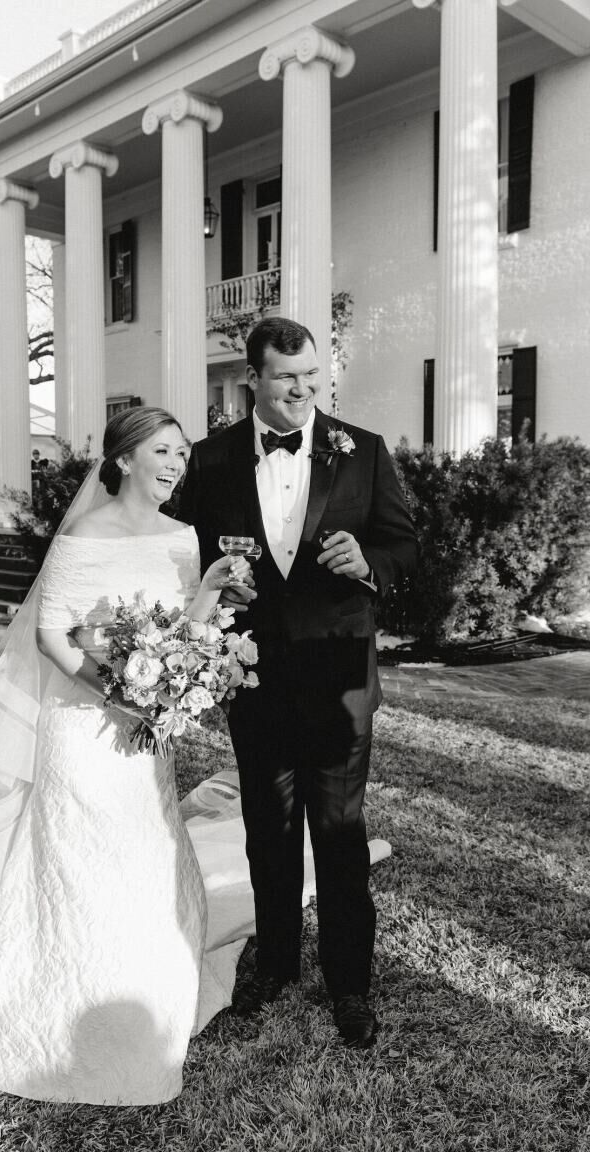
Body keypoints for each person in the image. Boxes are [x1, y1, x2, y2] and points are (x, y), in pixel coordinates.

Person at [0, 406, 257, 1105]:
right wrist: (120, 693)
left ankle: (147, 991)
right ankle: (50, 1000)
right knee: (77, 855)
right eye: (161, 452)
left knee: (145, 853)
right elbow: (51, 635)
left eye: (181, 455)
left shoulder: (185, 537)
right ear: (124, 459)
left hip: (146, 735)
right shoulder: (84, 535)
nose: (174, 465)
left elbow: (186, 632)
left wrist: (212, 591)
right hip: (82, 728)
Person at [179, 317, 418, 1050]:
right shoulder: (211, 460)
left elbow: (406, 544)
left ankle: (349, 983)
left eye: (312, 375)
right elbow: (181, 555)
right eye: (287, 377)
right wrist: (211, 594)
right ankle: (276, 963)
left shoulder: (363, 451)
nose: (303, 388)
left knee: (340, 837)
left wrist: (369, 562)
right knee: (268, 832)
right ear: (253, 377)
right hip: (251, 679)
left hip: (339, 680)